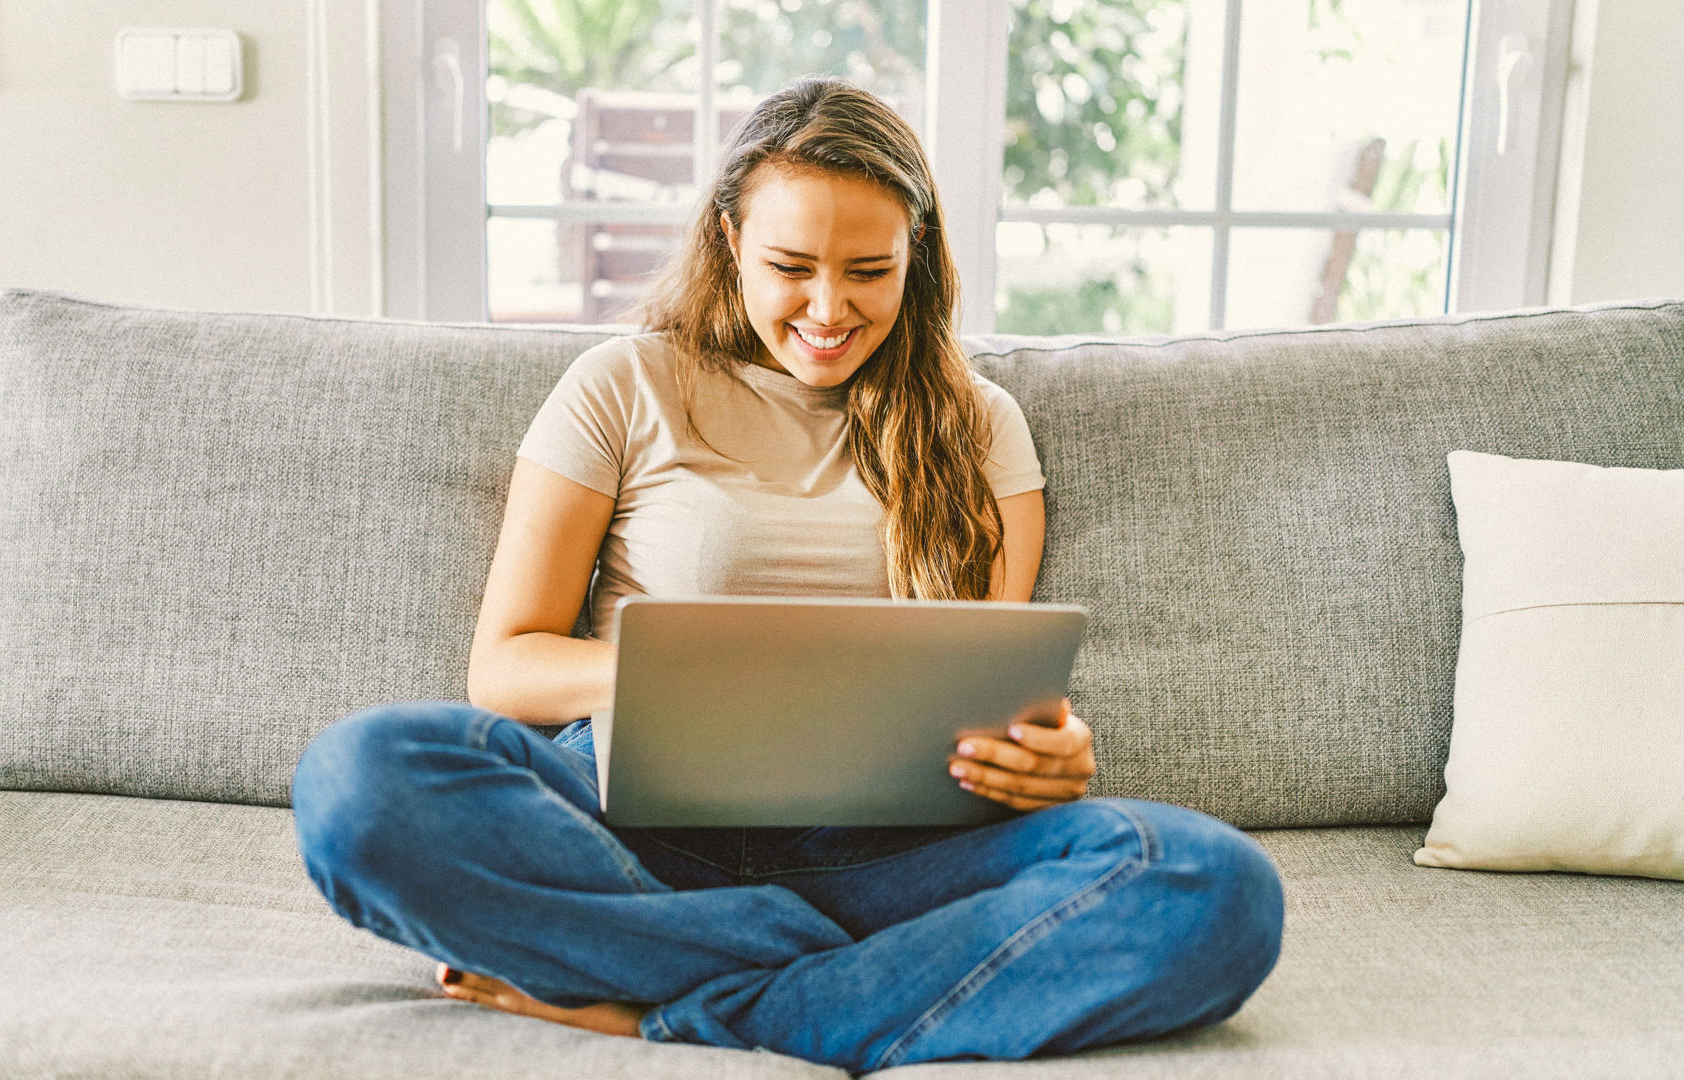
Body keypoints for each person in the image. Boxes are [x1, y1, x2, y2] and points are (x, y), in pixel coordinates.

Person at [290, 76, 1284, 1073]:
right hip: (627, 829)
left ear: (918, 255)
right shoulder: (625, 385)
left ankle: (667, 1005)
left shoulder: (980, 425)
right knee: (361, 779)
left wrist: (1049, 754)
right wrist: (705, 672)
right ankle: (873, 982)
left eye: (868, 270)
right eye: (790, 266)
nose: (828, 307)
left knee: (1211, 883)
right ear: (727, 239)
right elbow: (505, 667)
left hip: (890, 854)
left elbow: (991, 678)